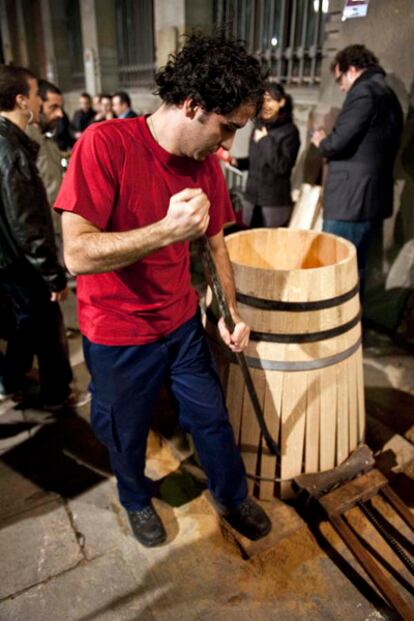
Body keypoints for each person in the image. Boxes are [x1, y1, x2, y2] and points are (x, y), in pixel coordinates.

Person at [55, 32, 272, 548]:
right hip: (117, 332)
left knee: (210, 417)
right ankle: (134, 498)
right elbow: (77, 254)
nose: (228, 146)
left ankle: (231, 493)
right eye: (227, 128)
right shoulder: (105, 145)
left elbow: (216, 244)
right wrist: (163, 232)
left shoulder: (206, 167)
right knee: (126, 431)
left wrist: (228, 311)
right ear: (193, 104)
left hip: (181, 323)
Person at [0, 65, 74, 407]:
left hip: (11, 260)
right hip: (21, 263)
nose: (37, 102)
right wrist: (52, 274)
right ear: (21, 100)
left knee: (28, 326)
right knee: (42, 326)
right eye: (33, 95)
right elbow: (27, 221)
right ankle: (52, 393)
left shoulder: (11, 144)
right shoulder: (13, 150)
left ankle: (14, 379)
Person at [312, 45, 403, 298]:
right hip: (371, 200)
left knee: (335, 268)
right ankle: (350, 328)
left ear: (351, 70)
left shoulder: (363, 92)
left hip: (350, 201)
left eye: (340, 78)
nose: (341, 87)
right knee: (355, 269)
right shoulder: (388, 93)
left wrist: (321, 141)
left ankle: (332, 330)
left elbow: (338, 143)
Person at [245, 82, 300, 227]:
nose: (264, 105)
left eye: (269, 100)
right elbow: (256, 162)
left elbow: (283, 166)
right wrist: (237, 162)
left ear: (282, 102)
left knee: (270, 247)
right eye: (262, 100)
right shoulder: (258, 126)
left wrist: (265, 140)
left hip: (273, 203)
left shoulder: (290, 131)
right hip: (252, 199)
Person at [27, 79, 65, 247]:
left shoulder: (46, 140)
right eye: (53, 107)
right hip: (42, 236)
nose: (60, 114)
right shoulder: (26, 141)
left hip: (57, 230)